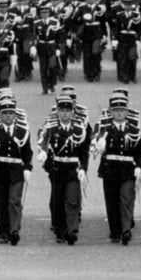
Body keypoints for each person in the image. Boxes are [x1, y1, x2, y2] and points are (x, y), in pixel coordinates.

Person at [37, 94, 89, 245]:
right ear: (58, 112)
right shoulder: (52, 129)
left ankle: (72, 231)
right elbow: (43, 144)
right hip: (57, 169)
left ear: (72, 112)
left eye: (68, 111)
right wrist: (43, 155)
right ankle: (60, 231)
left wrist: (83, 169)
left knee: (72, 200)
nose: (65, 113)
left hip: (72, 170)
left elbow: (83, 153)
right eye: (62, 110)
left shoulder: (79, 129)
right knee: (57, 201)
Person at [94, 93, 141, 244]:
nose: (119, 113)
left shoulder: (134, 131)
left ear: (127, 112)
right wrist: (98, 145)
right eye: (115, 110)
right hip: (110, 170)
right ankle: (115, 231)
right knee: (112, 202)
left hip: (128, 170)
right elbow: (94, 144)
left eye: (122, 110)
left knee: (127, 199)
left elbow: (138, 152)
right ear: (110, 111)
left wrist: (139, 167)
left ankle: (126, 230)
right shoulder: (104, 129)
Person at [0, 97, 32, 244]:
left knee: (14, 200)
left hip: (16, 172)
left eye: (11, 113)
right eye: (5, 113)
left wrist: (27, 168)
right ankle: (3, 230)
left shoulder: (22, 131)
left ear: (15, 114)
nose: (8, 116)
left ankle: (14, 230)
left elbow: (27, 152)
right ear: (0, 115)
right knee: (1, 203)